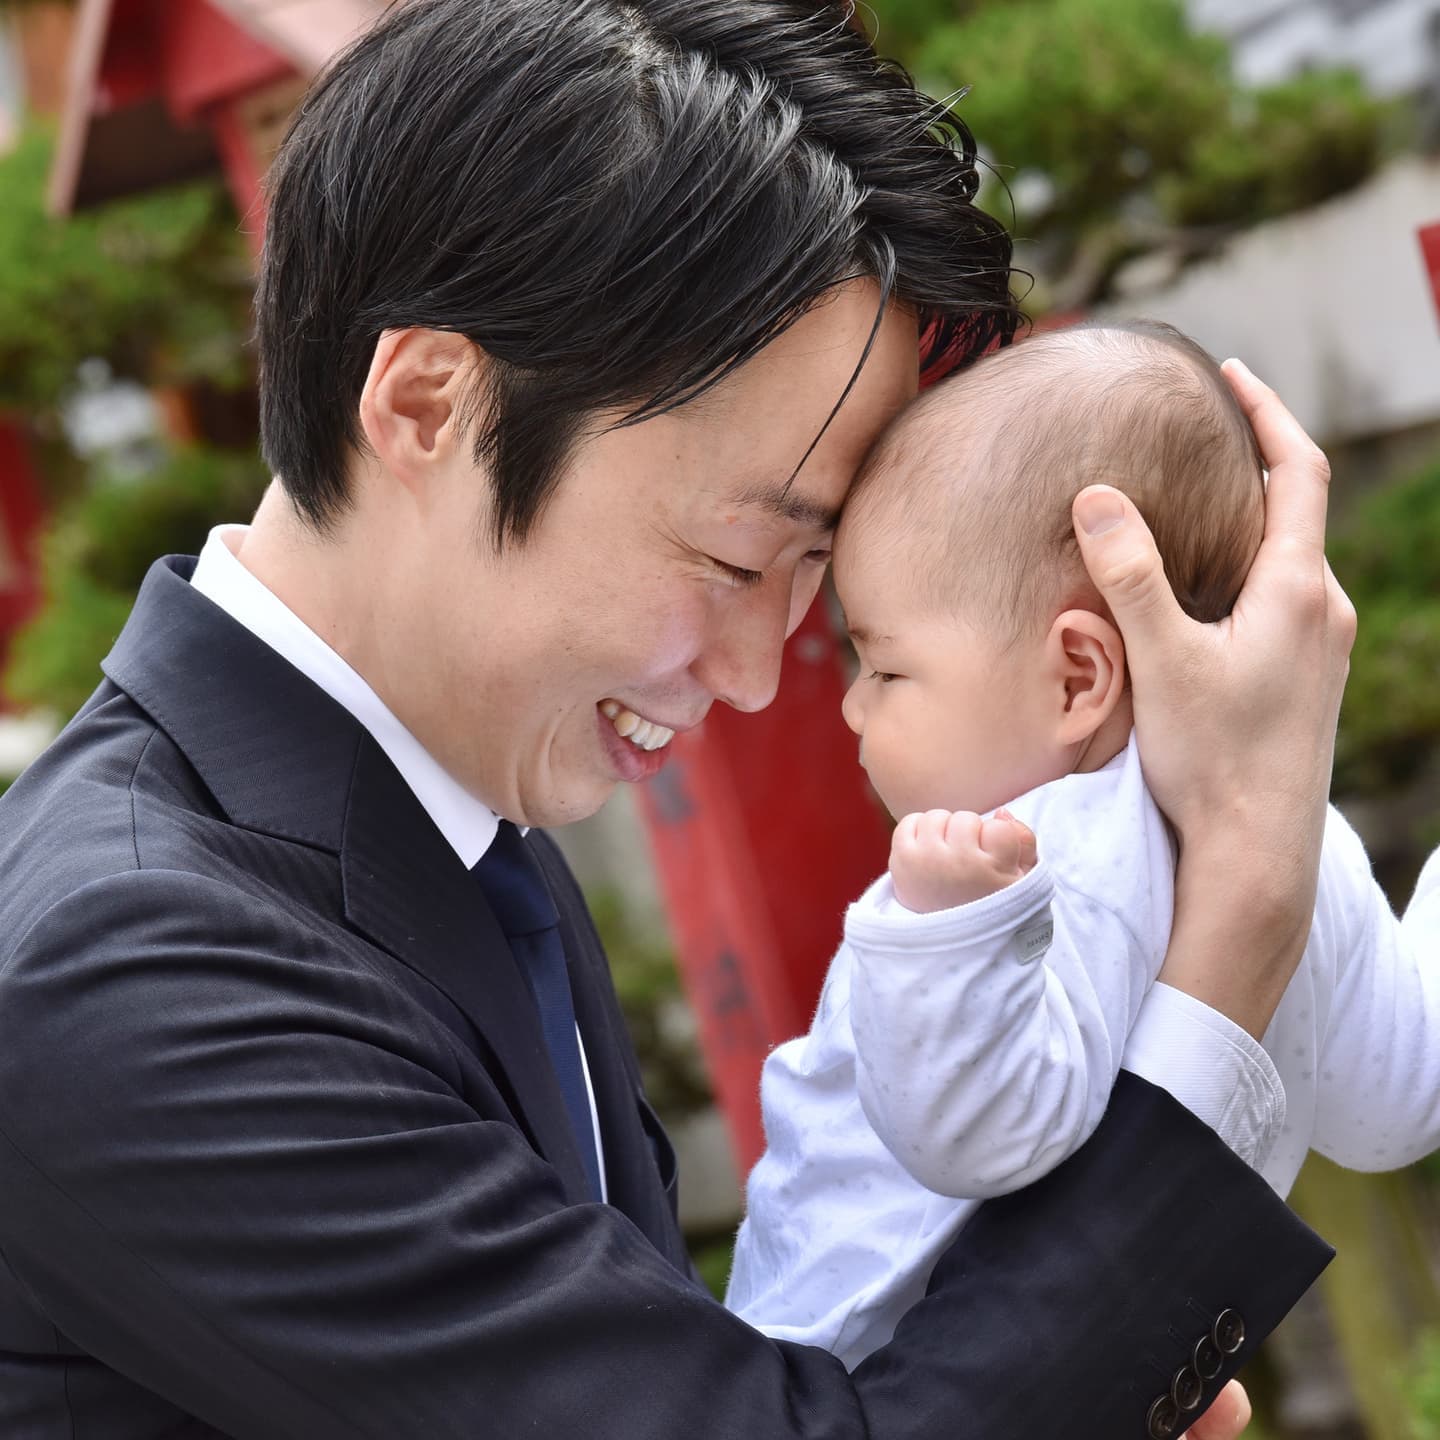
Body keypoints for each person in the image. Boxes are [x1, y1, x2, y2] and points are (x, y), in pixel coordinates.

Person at [0, 5, 1350, 1438]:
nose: (766, 677)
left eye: (814, 575)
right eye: (730, 559)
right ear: (431, 401)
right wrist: (1249, 880)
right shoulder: (131, 967)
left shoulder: (454, 814)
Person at [728, 322, 1440, 1387]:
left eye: (884, 665)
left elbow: (971, 1137)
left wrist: (936, 933)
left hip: (853, 1366)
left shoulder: (1044, 863)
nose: (849, 705)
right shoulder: (1299, 839)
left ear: (1076, 678)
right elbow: (1398, 1105)